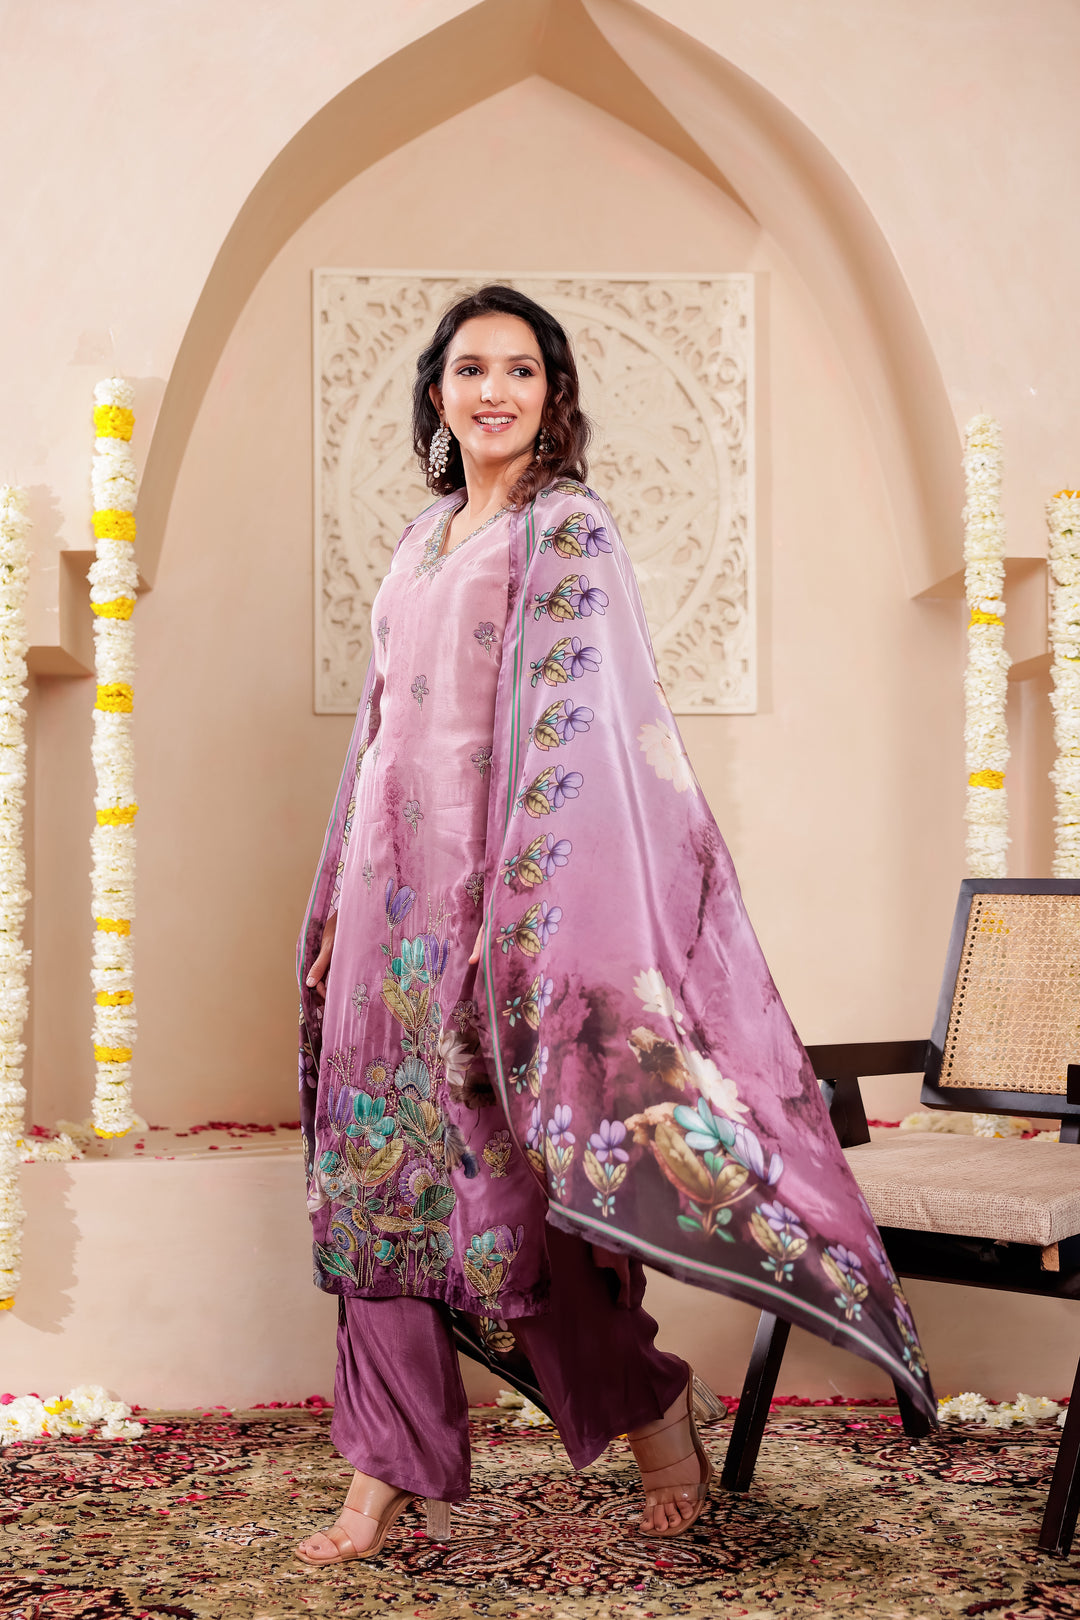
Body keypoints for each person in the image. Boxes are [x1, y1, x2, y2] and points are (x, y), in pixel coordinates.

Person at [295, 286, 933, 1566]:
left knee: (512, 1203)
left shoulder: (565, 530)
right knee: (373, 1186)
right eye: (470, 369)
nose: (493, 391)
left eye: (519, 370)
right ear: (437, 394)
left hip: (497, 922)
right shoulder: (419, 540)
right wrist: (336, 908)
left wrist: (510, 916)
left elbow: (575, 740)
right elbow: (380, 733)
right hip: (384, 916)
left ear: (553, 396)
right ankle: (382, 1471)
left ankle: (650, 1410)